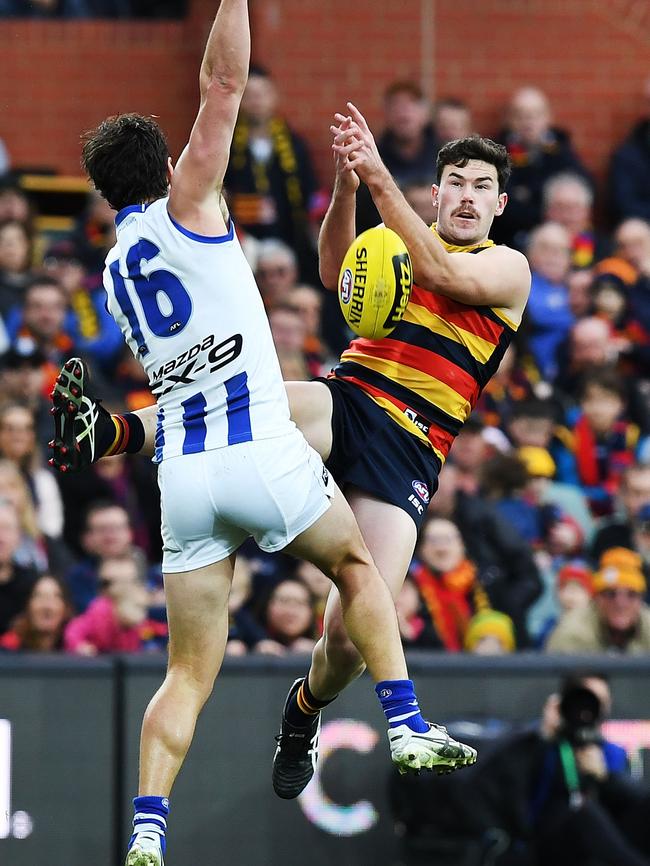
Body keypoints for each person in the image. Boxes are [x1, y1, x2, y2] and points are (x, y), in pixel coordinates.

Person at [51, 4, 474, 864]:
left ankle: (146, 830)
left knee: (186, 675)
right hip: (259, 448)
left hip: (188, 480)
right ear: (168, 165)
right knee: (358, 571)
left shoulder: (114, 266)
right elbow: (225, 83)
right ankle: (405, 723)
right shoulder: (189, 203)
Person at [464, 673, 650, 866]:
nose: (590, 709)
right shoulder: (540, 743)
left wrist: (605, 776)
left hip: (610, 842)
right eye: (585, 699)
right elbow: (516, 793)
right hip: (549, 842)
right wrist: (543, 738)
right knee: (584, 814)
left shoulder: (611, 751)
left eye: (599, 701)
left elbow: (638, 799)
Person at [546, 548, 650, 653]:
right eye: (611, 594)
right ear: (597, 598)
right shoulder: (572, 632)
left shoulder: (647, 625)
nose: (621, 603)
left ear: (641, 600)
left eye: (631, 595)